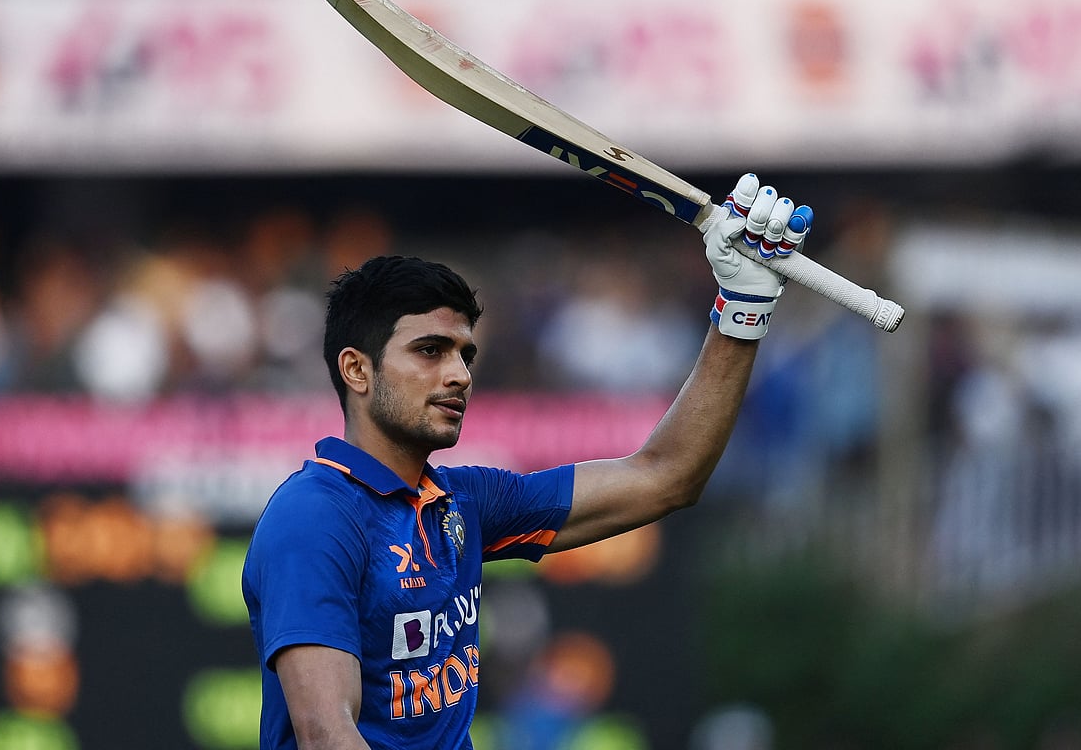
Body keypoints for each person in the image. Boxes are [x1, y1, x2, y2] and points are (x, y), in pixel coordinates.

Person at [241, 173, 814, 749]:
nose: (460, 374)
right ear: (356, 369)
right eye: (429, 351)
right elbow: (324, 735)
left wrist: (741, 311)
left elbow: (666, 477)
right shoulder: (313, 516)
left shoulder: (465, 504)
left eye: (465, 354)